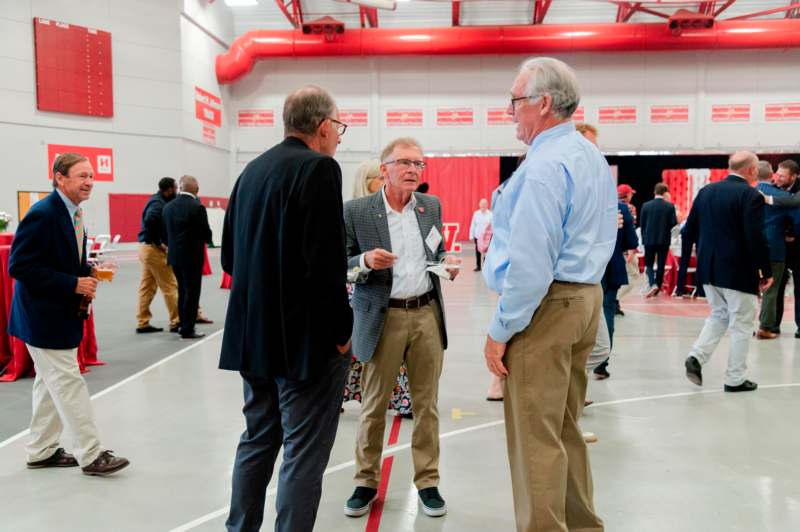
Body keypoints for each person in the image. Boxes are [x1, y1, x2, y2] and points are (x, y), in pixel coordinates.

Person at [483, 57, 614, 532]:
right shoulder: (588, 154)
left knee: (535, 439)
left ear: (542, 103)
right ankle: (580, 525)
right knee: (564, 429)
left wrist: (499, 330)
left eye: (516, 102)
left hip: (547, 306)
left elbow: (532, 266)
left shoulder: (543, 166)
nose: (511, 112)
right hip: (583, 300)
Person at [219, 85, 353, 532]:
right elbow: (326, 265)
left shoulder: (251, 171)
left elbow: (228, 260)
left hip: (252, 337)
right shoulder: (319, 169)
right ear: (321, 126)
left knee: (257, 440)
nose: (338, 137)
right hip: (303, 345)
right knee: (303, 451)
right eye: (338, 127)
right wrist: (341, 331)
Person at [343, 137, 460, 519]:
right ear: (385, 169)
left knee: (427, 406)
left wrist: (448, 261)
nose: (413, 170)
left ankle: (428, 482)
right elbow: (340, 266)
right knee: (374, 405)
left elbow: (436, 250)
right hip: (383, 316)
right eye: (405, 163)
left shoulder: (430, 207)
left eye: (419, 164)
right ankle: (365, 480)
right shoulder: (357, 212)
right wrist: (364, 260)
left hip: (426, 314)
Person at [8, 153, 129, 477]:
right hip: (42, 317)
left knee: (50, 385)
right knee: (69, 382)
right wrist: (72, 283)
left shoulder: (73, 213)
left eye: (91, 175)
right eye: (82, 175)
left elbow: (65, 259)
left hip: (57, 314)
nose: (90, 181)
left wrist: (89, 270)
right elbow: (19, 266)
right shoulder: (43, 214)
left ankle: (41, 450)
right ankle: (91, 454)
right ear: (60, 178)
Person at [682, 151, 772, 393]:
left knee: (719, 315)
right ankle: (735, 378)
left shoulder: (706, 191)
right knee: (742, 324)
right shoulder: (750, 195)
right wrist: (765, 270)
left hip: (709, 269)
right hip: (737, 270)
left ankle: (696, 356)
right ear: (752, 170)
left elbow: (689, 230)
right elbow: (755, 236)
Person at [344, 159, 413, 418]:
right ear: (368, 181)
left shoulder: (397, 210)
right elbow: (344, 265)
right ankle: (342, 395)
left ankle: (402, 399)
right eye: (380, 177)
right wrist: (365, 261)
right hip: (361, 291)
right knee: (357, 349)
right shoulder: (351, 213)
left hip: (392, 290)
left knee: (395, 349)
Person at [162, 175, 212, 340]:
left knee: (182, 291)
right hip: (192, 258)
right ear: (196, 190)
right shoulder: (197, 207)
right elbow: (206, 234)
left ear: (181, 188)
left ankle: (183, 324)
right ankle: (188, 329)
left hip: (175, 257)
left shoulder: (168, 207)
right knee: (192, 292)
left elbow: (164, 235)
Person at [755, 161, 800, 338]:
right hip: (776, 246)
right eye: (777, 174)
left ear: (794, 176)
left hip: (763, 246)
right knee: (774, 288)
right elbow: (797, 219)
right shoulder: (777, 191)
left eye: (782, 175)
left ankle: (771, 325)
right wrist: (792, 233)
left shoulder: (752, 192)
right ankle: (768, 326)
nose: (778, 178)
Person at [136, 177, 179, 333]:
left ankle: (143, 321)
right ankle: (177, 321)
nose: (177, 191)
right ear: (168, 190)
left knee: (147, 287)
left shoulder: (157, 200)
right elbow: (150, 220)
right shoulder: (158, 204)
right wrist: (159, 242)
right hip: (153, 250)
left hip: (145, 248)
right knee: (170, 285)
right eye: (175, 188)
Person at [640, 183, 678, 297]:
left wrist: (644, 239)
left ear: (654, 192)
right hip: (664, 240)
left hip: (649, 240)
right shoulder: (670, 206)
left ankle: (652, 284)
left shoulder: (646, 206)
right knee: (661, 264)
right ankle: (658, 287)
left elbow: (642, 225)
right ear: (665, 193)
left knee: (649, 264)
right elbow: (673, 223)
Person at [615, 183, 639, 314]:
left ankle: (614, 300)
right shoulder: (629, 208)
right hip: (626, 250)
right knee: (633, 275)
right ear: (627, 194)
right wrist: (632, 249)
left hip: (614, 249)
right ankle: (615, 299)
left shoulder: (611, 206)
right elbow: (631, 229)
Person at [469, 198, 492, 271]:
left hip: (487, 237)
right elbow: (473, 225)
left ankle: (486, 266)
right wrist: (471, 235)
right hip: (478, 236)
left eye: (484, 204)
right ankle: (478, 266)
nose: (483, 205)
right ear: (479, 205)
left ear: (487, 205)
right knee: (478, 251)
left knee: (487, 252)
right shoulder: (476, 214)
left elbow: (493, 226)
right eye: (482, 204)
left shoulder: (491, 214)